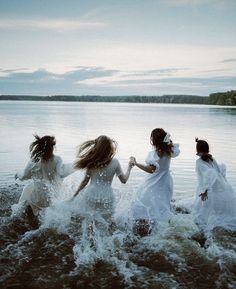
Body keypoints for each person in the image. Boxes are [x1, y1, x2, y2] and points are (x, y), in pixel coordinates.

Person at [72, 135, 134, 221]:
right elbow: (124, 180)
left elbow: (85, 182)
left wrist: (75, 195)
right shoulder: (115, 162)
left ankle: (89, 234)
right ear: (109, 148)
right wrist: (129, 168)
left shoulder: (92, 161)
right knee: (106, 221)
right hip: (107, 195)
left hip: (92, 193)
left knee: (89, 219)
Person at [130, 128, 180, 235]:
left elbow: (151, 170)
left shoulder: (154, 154)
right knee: (162, 203)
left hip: (154, 182)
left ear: (153, 141)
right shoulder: (169, 150)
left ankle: (148, 228)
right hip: (166, 181)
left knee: (144, 201)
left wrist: (136, 163)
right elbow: (171, 146)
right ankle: (163, 226)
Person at [15, 135, 70, 217]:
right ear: (52, 147)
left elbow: (24, 177)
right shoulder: (58, 159)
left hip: (38, 198)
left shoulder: (32, 162)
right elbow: (61, 174)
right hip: (53, 196)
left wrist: (17, 174)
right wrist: (75, 167)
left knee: (28, 189)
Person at [193, 138, 236, 231]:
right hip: (218, 185)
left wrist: (205, 190)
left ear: (198, 151)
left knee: (206, 207)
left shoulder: (199, 162)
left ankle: (205, 222)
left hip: (208, 187)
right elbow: (218, 172)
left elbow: (208, 177)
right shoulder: (212, 159)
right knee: (215, 205)